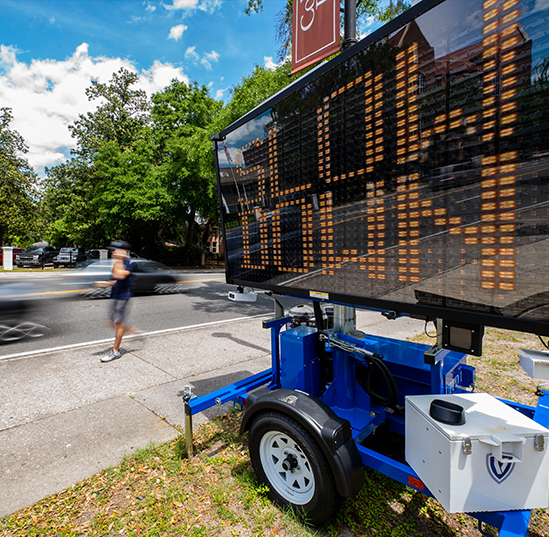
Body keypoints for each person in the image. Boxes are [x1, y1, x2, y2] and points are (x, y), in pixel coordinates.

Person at [101, 240, 138, 363]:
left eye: (114, 249)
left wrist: (119, 261)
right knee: (114, 322)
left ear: (123, 250)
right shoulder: (117, 262)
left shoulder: (130, 262)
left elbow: (122, 275)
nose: (112, 252)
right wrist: (106, 284)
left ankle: (115, 351)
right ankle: (132, 330)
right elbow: (115, 279)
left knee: (118, 322)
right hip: (116, 295)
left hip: (123, 296)